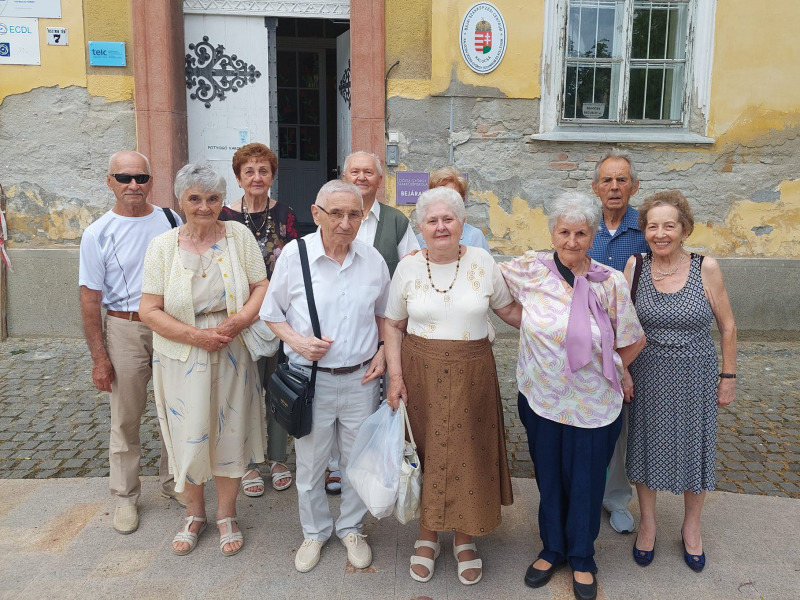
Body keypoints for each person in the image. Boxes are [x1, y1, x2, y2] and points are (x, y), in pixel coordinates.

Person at [500, 192, 645, 600]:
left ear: (593, 236)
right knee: (549, 477)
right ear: (552, 233)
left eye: (581, 232)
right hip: (543, 399)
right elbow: (485, 281)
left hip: (594, 405)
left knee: (584, 482)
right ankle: (552, 549)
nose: (571, 240)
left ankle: (582, 556)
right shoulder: (532, 271)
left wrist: (615, 371)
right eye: (564, 231)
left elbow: (633, 339)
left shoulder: (609, 281)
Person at [384, 187, 521, 586]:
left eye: (449, 219)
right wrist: (395, 377)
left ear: (462, 224)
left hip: (472, 373)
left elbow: (508, 309)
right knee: (423, 451)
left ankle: (465, 538)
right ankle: (427, 537)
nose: (441, 226)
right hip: (420, 372)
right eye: (432, 220)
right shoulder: (407, 267)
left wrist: (556, 328)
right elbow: (392, 323)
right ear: (421, 227)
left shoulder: (482, 261)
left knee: (468, 452)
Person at [260, 180, 390, 573]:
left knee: (354, 463)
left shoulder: (373, 260)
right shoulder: (293, 257)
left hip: (360, 380)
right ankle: (315, 532)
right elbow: (271, 313)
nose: (346, 222)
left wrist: (383, 351)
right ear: (316, 214)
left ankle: (350, 527)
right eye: (336, 213)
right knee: (312, 464)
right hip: (309, 381)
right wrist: (298, 343)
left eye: (355, 214)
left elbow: (386, 316)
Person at [139, 164, 269, 557]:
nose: (204, 206)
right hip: (181, 351)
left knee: (229, 433)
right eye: (195, 198)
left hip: (232, 348)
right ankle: (194, 514)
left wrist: (240, 320)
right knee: (188, 433)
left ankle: (227, 513)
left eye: (212, 198)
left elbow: (260, 284)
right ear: (180, 201)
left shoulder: (239, 236)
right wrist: (197, 336)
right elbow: (149, 309)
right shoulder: (162, 246)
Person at [624, 191, 736, 572]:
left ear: (684, 229)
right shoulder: (635, 265)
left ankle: (691, 527)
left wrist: (728, 377)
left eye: (669, 225)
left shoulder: (706, 267)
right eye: (652, 226)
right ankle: (649, 524)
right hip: (647, 372)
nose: (660, 233)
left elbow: (728, 326)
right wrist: (621, 369)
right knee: (644, 448)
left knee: (695, 448)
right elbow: (621, 327)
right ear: (644, 231)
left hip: (696, 374)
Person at [79, 150, 185, 535]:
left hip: (170, 324)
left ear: (151, 180)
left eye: (140, 177)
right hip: (125, 326)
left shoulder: (171, 220)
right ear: (110, 182)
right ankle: (125, 496)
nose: (133, 185)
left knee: (175, 407)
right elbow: (90, 298)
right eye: (124, 178)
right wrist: (99, 358)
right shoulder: (98, 233)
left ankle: (175, 480)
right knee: (126, 415)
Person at [322, 150, 420, 494]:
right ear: (344, 177)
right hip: (336, 326)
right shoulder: (330, 218)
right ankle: (334, 466)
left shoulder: (396, 222)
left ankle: (372, 463)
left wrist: (391, 335)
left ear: (380, 180)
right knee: (334, 400)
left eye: (369, 172)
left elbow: (410, 269)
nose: (361, 177)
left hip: (383, 326)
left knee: (374, 399)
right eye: (354, 172)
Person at [218, 142, 297, 496]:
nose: (257, 177)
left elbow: (296, 267)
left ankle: (278, 457)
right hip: (238, 316)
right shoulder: (223, 217)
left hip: (277, 315)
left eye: (263, 170)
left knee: (277, 386)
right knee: (243, 389)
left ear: (272, 176)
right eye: (248, 171)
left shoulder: (287, 216)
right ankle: (249, 461)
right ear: (238, 178)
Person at [588, 149, 650, 534]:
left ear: (634, 186)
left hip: (628, 345)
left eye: (621, 180)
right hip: (586, 345)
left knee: (620, 426)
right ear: (596, 188)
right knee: (583, 422)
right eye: (607, 180)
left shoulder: (647, 230)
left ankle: (615, 498)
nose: (614, 187)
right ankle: (582, 491)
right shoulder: (582, 226)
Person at [416, 166, 490, 251]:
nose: (447, 200)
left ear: (462, 199)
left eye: (453, 196)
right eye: (441, 195)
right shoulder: (419, 239)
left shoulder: (474, 236)